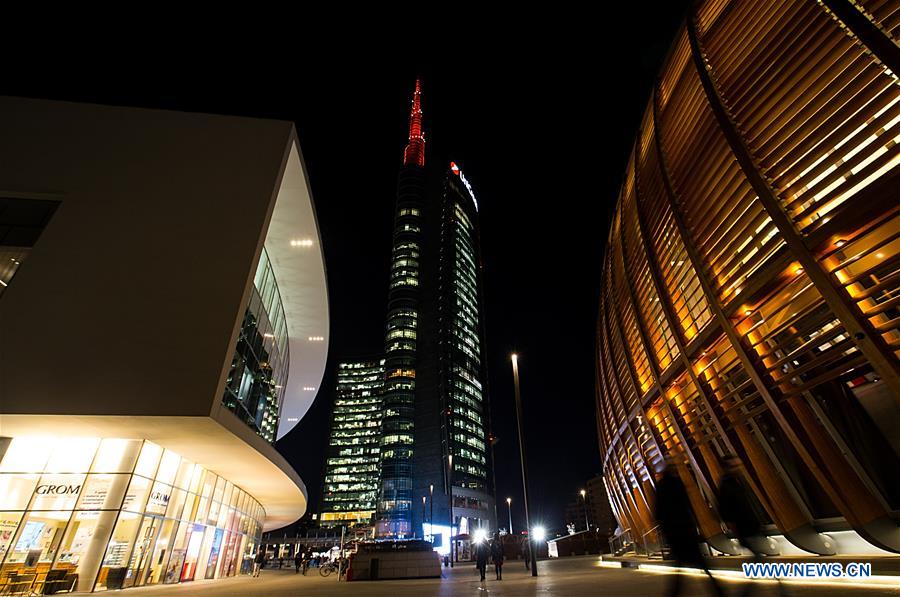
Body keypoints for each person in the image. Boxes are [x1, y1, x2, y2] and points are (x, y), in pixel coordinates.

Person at [718, 456, 786, 596]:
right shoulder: (727, 485)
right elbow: (727, 511)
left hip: (750, 527)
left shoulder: (735, 482)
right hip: (745, 529)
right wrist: (737, 532)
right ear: (728, 467)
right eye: (735, 465)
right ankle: (780, 589)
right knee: (760, 559)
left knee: (759, 560)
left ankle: (750, 591)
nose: (739, 468)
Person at [655, 460, 723, 597]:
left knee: (682, 566)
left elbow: (658, 513)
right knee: (700, 565)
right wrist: (696, 527)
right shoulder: (676, 484)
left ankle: (716, 590)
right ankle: (718, 591)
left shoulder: (662, 487)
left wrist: (666, 533)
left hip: (676, 533)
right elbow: (687, 508)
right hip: (685, 531)